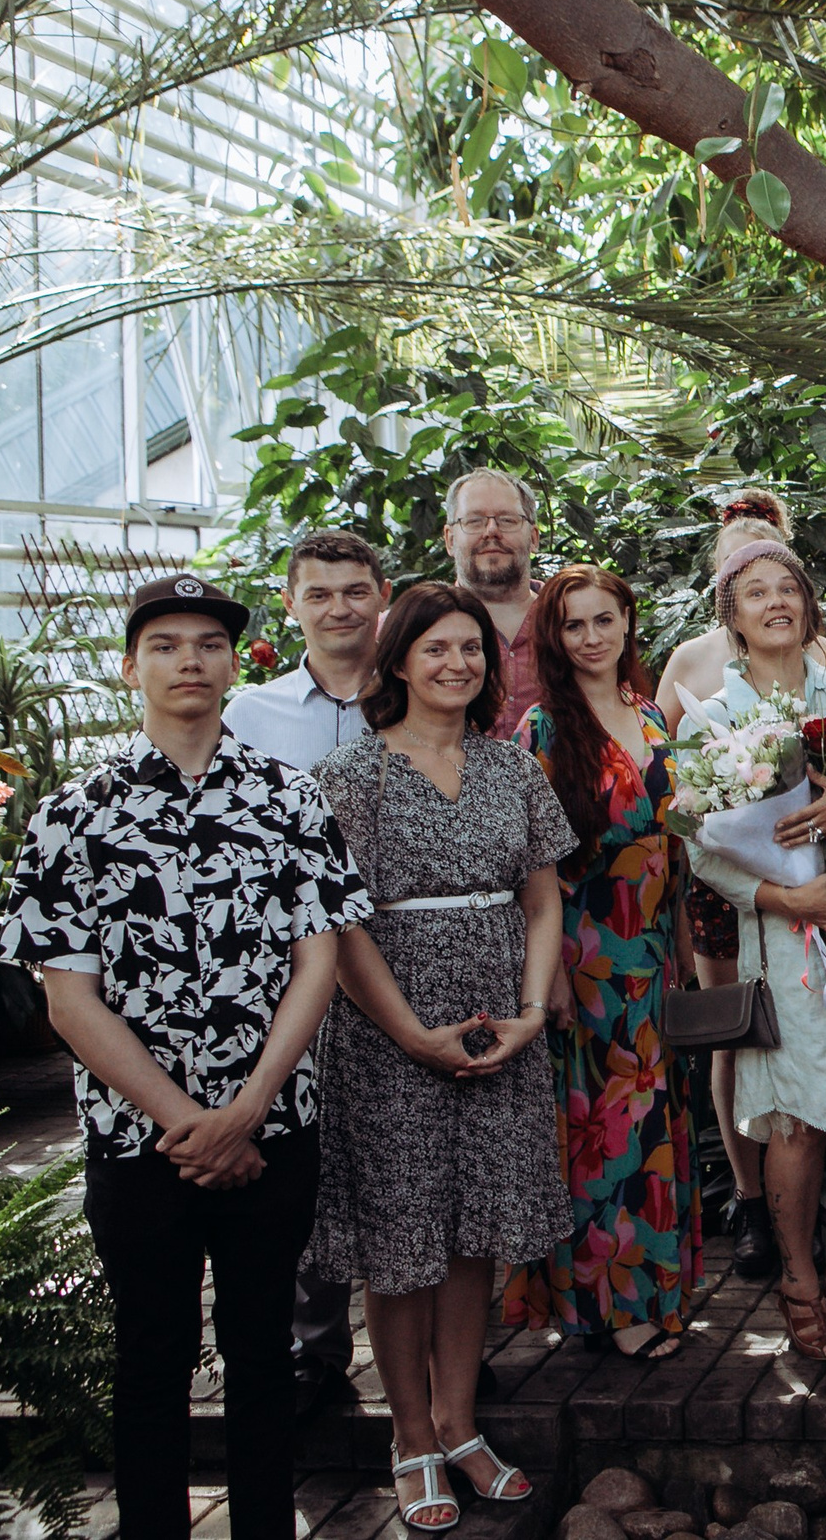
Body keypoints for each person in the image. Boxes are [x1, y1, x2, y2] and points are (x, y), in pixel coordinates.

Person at [8, 574, 371, 1540]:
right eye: (165, 644)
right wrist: (190, 1121)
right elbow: (67, 997)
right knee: (151, 1355)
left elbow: (319, 961)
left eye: (208, 643)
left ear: (232, 662)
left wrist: (247, 1109)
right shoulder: (73, 814)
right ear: (131, 667)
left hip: (273, 1131)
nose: (189, 661)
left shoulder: (289, 799)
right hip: (140, 1146)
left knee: (262, 1356)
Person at [305, 582, 575, 1532]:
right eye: (437, 649)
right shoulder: (351, 775)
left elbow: (542, 901)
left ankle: (461, 1422)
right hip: (391, 1033)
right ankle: (409, 1433)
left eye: (472, 649)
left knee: (473, 1232)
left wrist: (531, 1011)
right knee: (402, 1238)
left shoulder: (513, 769)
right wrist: (409, 1033)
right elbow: (337, 926)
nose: (458, 664)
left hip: (501, 1023)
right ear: (398, 662)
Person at [684, 541, 826, 1361]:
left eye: (789, 588)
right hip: (787, 937)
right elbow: (703, 849)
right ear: (732, 619)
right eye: (755, 593)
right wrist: (789, 897)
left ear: (810, 605)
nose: (776, 601)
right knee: (802, 1120)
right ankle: (801, 1279)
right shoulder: (717, 712)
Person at [501, 567, 701, 1360]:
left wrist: (681, 940)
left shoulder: (649, 713)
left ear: (627, 623)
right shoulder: (543, 731)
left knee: (655, 1123)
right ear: (555, 637)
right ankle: (612, 1308)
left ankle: (659, 1293)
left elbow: (671, 836)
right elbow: (529, 868)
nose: (591, 636)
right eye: (574, 624)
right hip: (585, 951)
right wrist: (543, 975)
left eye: (604, 620)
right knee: (602, 1128)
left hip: (652, 947)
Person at [220, 530, 391, 1420]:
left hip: (404, 950)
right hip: (291, 968)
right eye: (319, 593)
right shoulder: (247, 712)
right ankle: (316, 1346)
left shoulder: (417, 696)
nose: (339, 608)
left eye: (355, 590)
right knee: (306, 1153)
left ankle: (435, 1346)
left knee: (410, 1145)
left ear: (382, 595)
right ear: (291, 604)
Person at [653, 492, 826, 1283]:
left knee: (817, 1033)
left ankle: (814, 1196)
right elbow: (672, 774)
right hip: (742, 885)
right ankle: (748, 1194)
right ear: (726, 584)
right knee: (744, 1029)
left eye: (781, 572)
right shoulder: (694, 660)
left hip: (823, 877)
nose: (770, 592)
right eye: (749, 571)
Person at [444, 467, 546, 739]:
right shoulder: (412, 628)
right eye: (474, 521)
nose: (491, 531)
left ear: (534, 537)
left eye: (507, 520)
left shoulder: (571, 620)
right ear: (450, 539)